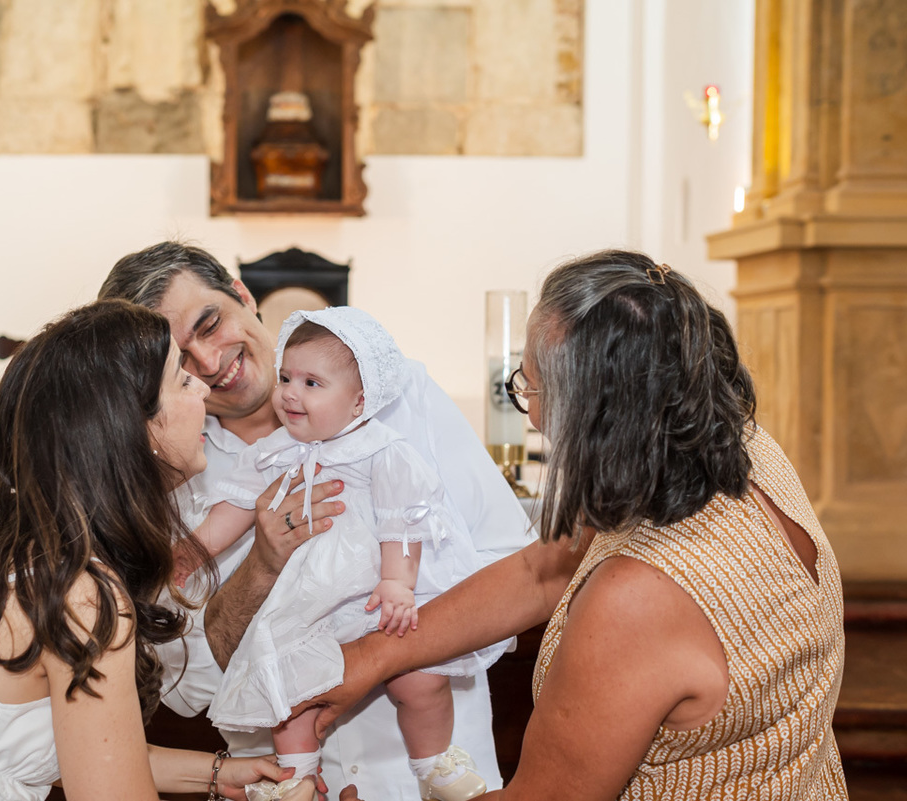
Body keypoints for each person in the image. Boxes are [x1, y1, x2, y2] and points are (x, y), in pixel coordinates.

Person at [300, 250, 849, 800]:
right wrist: (374, 656)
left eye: (530, 389)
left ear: (594, 415)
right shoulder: (738, 450)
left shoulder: (639, 596)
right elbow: (543, 570)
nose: (533, 417)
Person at [0, 300, 302, 801]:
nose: (203, 387)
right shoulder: (80, 597)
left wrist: (219, 775)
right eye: (181, 379)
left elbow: (65, 753)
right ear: (132, 430)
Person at [98, 242, 535, 799]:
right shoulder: (167, 471)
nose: (209, 364)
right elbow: (190, 685)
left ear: (243, 294)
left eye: (210, 324)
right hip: (284, 782)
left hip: (417, 777)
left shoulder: (396, 397)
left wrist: (377, 658)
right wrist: (259, 565)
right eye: (179, 358)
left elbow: (518, 576)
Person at [179, 309, 505, 800]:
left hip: (373, 599)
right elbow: (237, 506)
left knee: (420, 682)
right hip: (311, 603)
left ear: (358, 402)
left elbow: (403, 518)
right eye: (287, 377)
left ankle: (435, 764)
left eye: (312, 383)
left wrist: (397, 581)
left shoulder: (385, 449)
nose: (290, 391)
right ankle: (296, 777)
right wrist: (194, 551)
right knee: (292, 696)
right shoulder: (274, 451)